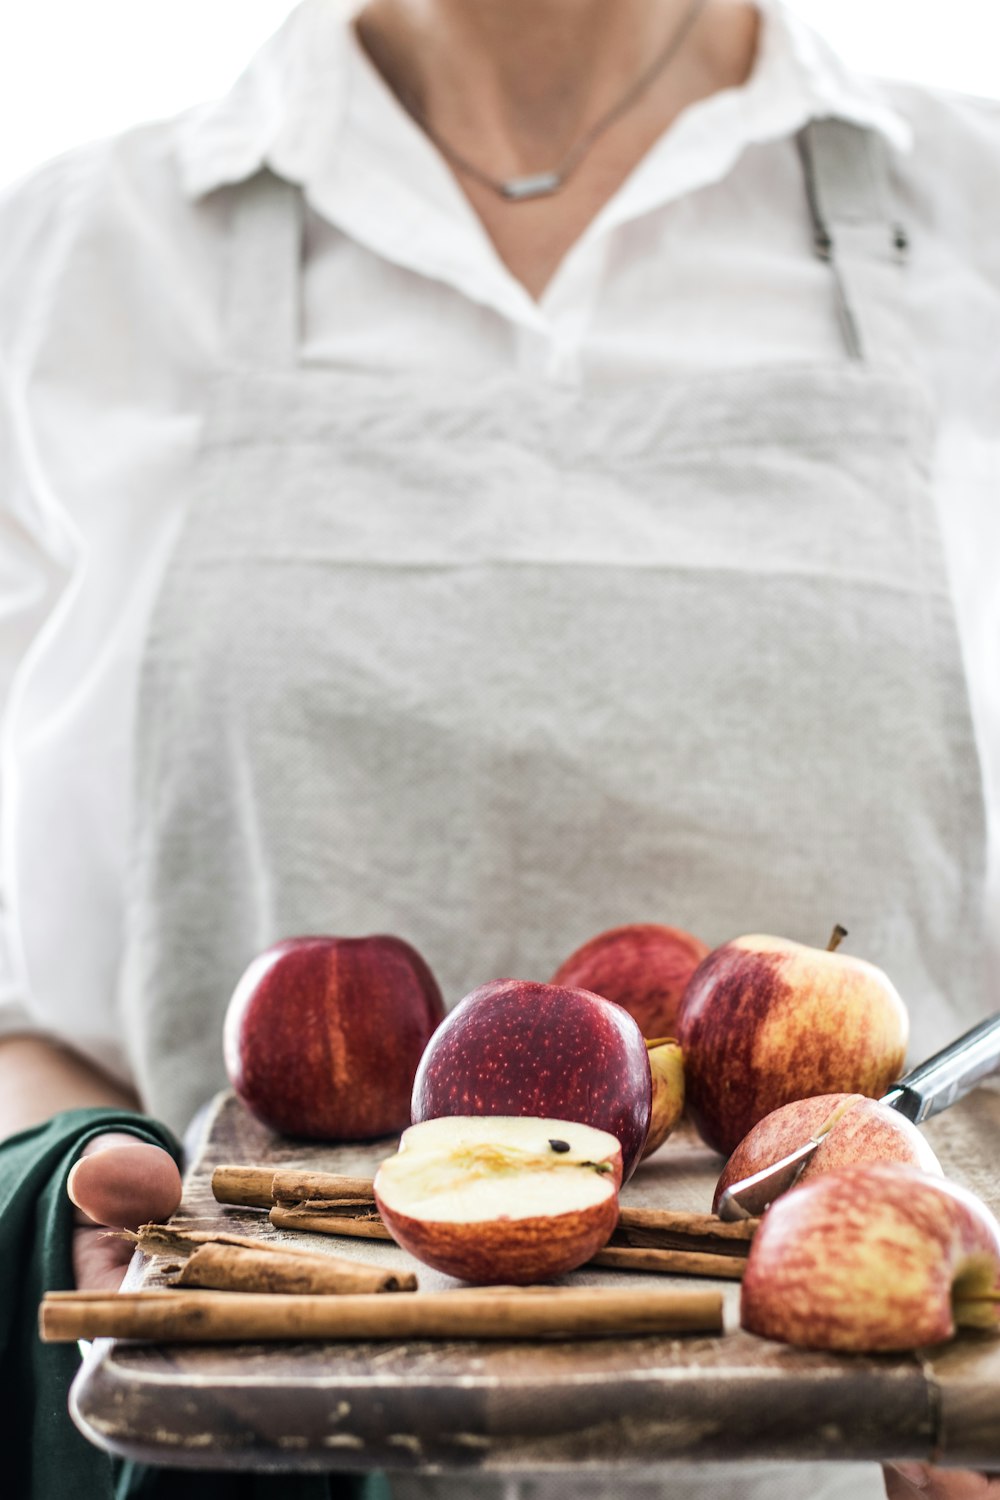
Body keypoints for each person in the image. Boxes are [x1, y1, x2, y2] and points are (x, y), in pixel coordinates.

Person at [0, 0, 998, 1496]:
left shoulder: (970, 211)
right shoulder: (77, 260)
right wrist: (74, 1175)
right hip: (270, 1439)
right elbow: (26, 1008)